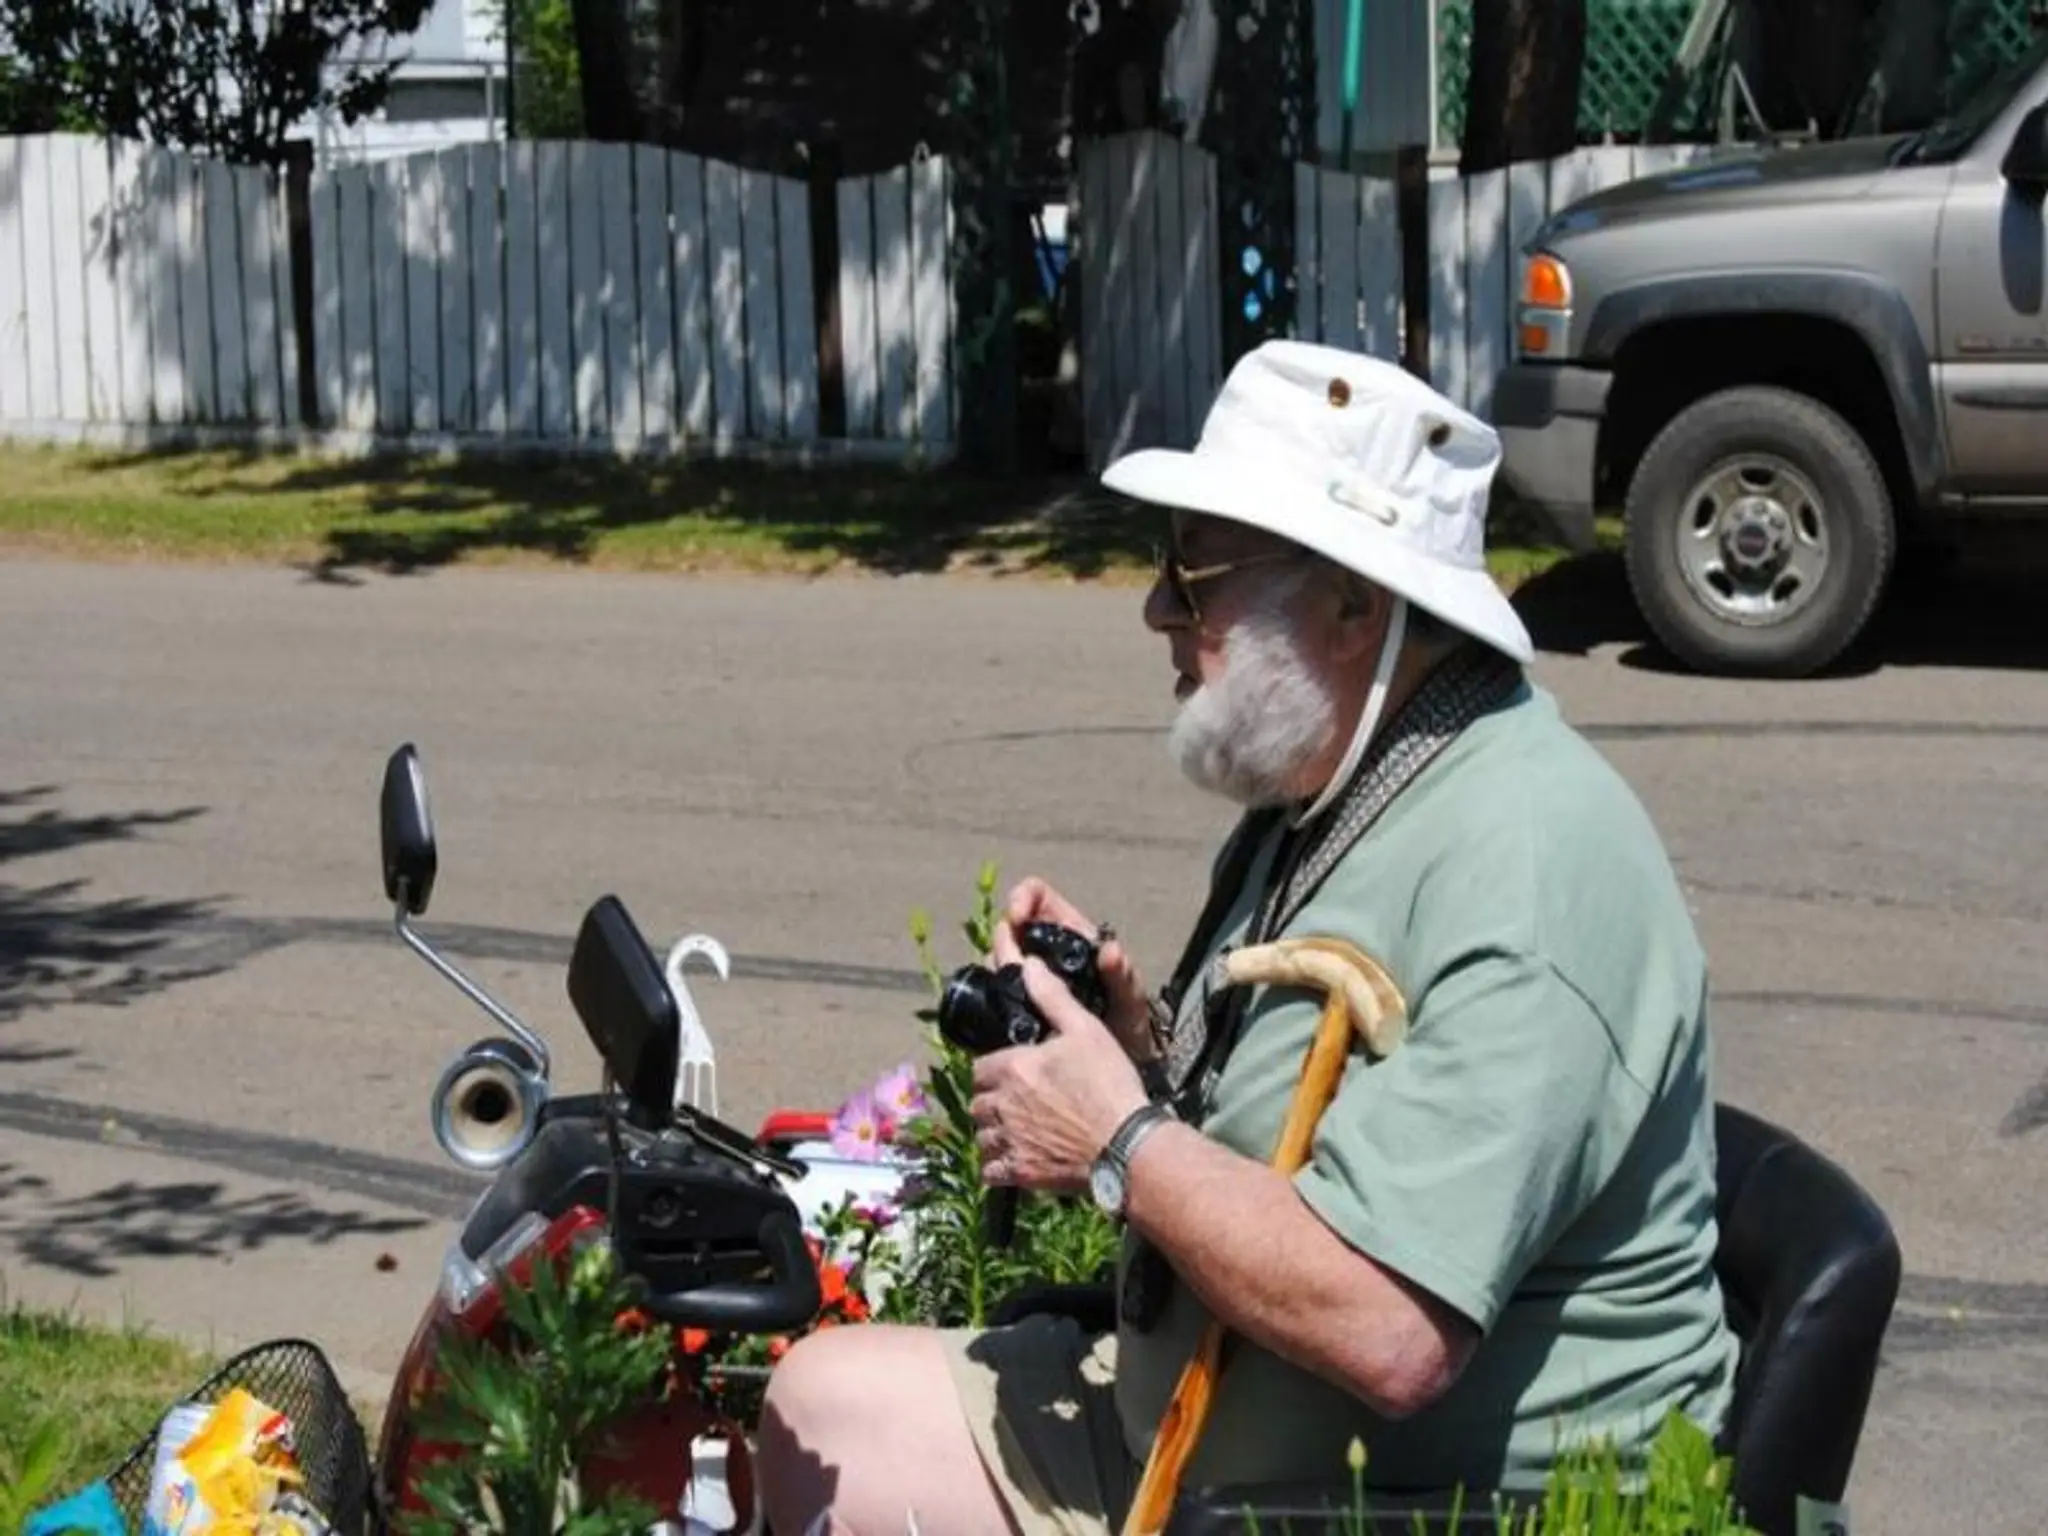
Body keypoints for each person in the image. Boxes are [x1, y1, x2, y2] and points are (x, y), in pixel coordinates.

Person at [754, 341, 1741, 1536]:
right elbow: (1286, 1132)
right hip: (1212, 1430)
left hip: (1403, 1507)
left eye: (1194, 572)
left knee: (827, 1435)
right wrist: (1136, 1043)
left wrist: (1113, 1137)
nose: (1157, 608)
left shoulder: (1525, 867)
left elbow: (1388, 1326)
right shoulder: (1343, 782)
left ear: (1352, 603)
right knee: (816, 1402)